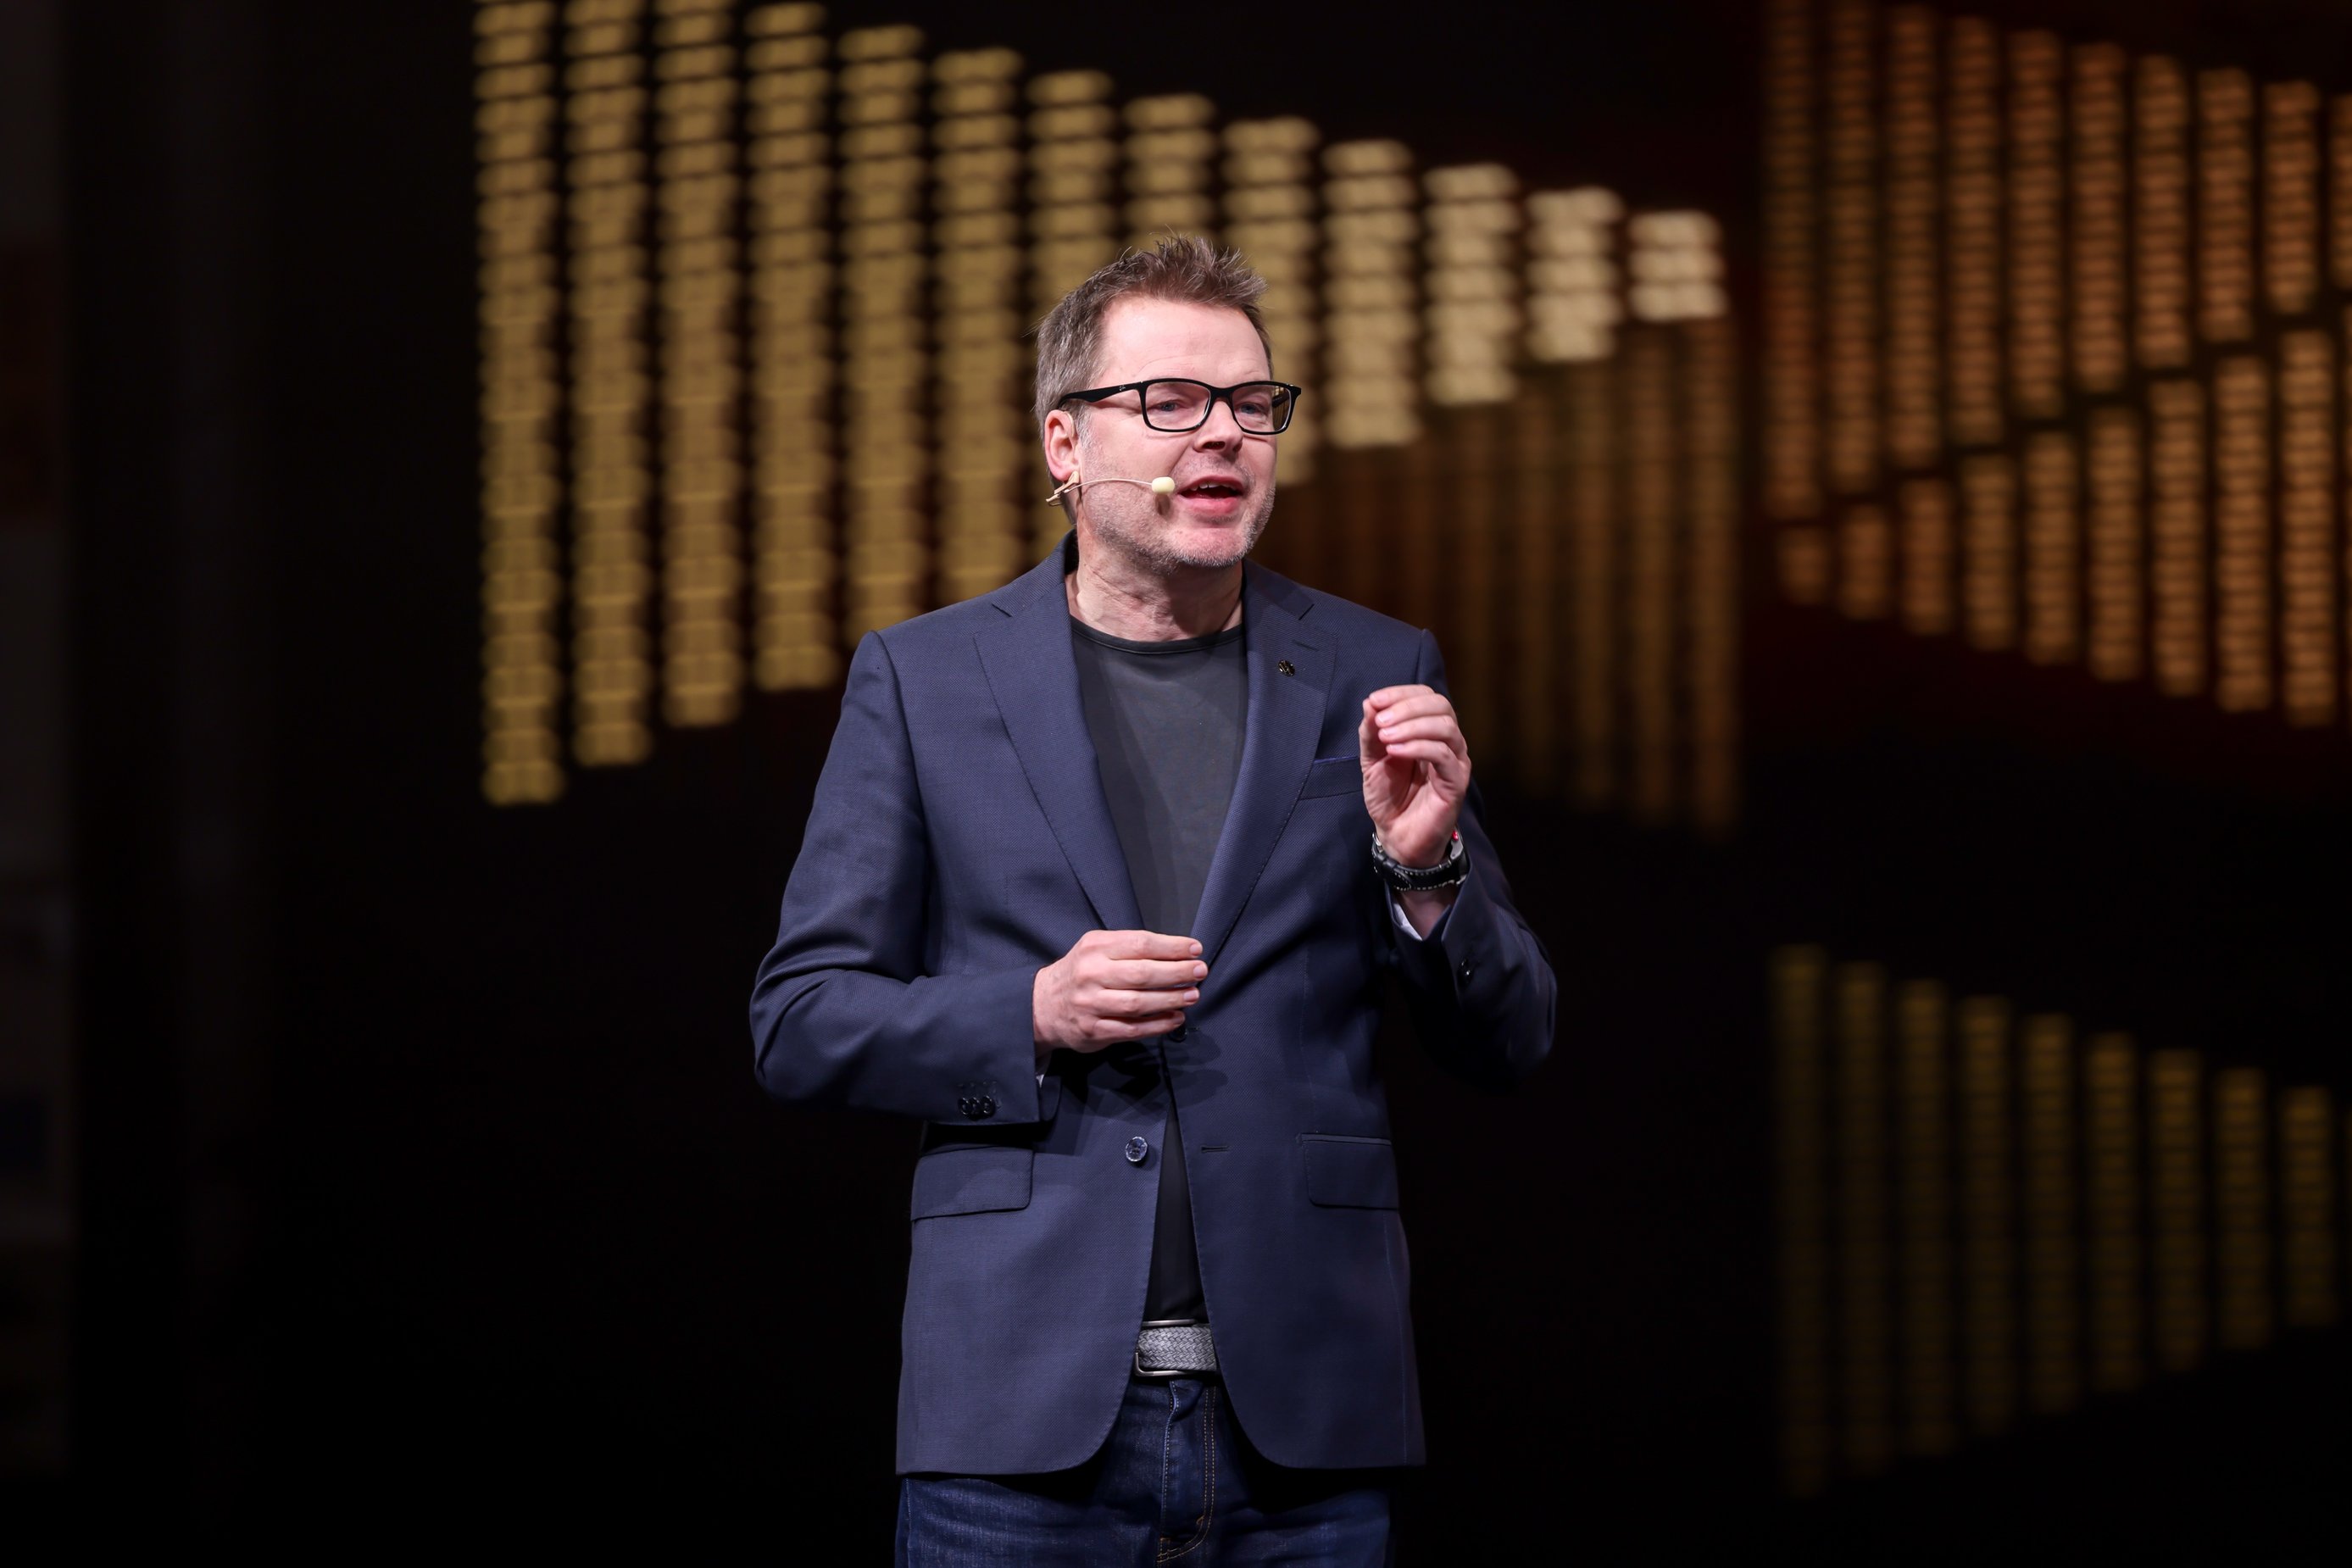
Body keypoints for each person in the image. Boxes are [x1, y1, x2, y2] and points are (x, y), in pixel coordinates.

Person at [750, 235, 1556, 1565]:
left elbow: (1511, 1034)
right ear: (1064, 444)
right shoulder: (927, 678)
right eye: (1171, 401)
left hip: (1305, 1423)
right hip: (1017, 1420)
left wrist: (1425, 870)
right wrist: (1032, 1012)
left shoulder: (1372, 669)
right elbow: (801, 1019)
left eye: (1252, 402)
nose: (1224, 433)